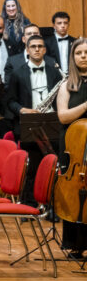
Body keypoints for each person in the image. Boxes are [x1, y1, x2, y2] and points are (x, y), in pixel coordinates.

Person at [6, 35, 61, 206]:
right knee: (31, 167)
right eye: (33, 46)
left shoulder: (55, 73)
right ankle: (28, 206)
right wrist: (23, 110)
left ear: (45, 50)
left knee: (53, 165)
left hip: (51, 123)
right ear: (27, 50)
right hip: (29, 124)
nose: (37, 49)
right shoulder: (17, 73)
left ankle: (52, 206)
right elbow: (10, 101)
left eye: (40, 46)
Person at [55, 37, 87, 258]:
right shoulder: (67, 85)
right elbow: (63, 116)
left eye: (86, 52)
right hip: (72, 147)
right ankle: (75, 244)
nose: (83, 56)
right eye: (79, 53)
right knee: (73, 191)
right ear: (73, 57)